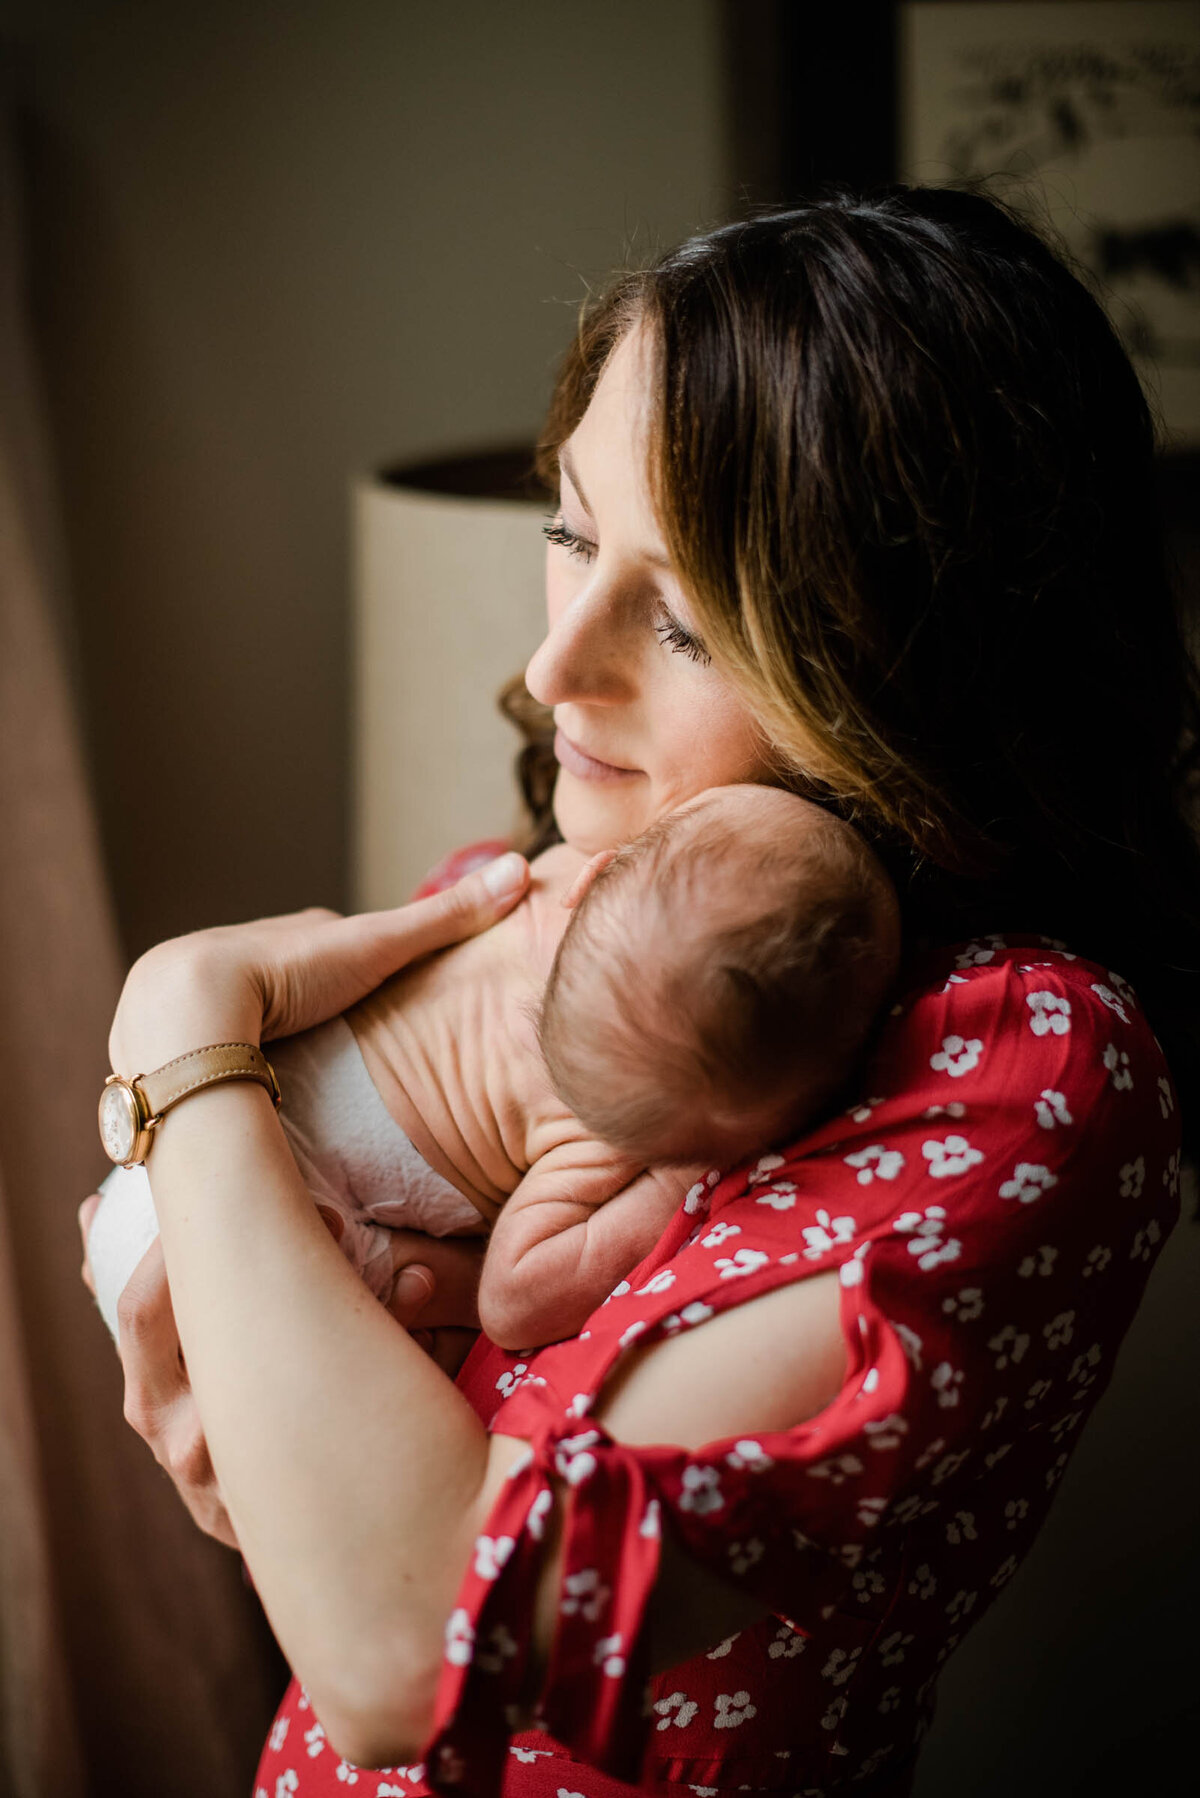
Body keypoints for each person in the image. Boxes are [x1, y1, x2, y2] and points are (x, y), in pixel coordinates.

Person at [79, 186, 1196, 1797]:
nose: (552, 672)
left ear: (906, 663)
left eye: (681, 615)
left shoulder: (1019, 1054)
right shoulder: (556, 898)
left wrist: (182, 1024)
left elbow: (417, 1634)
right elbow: (265, 1430)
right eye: (572, 535)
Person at [87, 784, 898, 1353]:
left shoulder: (530, 887)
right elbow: (514, 1304)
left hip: (170, 1138)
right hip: (241, 1253)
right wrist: (672, 1188)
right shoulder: (614, 1150)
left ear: (596, 872)